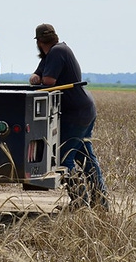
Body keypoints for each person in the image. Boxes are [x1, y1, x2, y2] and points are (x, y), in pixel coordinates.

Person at [29, 23, 108, 209]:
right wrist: (36, 77)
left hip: (76, 114)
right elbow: (38, 74)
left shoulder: (56, 52)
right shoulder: (56, 51)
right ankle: (100, 201)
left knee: (65, 158)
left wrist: (38, 79)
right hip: (84, 109)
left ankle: (79, 202)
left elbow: (48, 81)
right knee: (85, 155)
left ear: (39, 42)